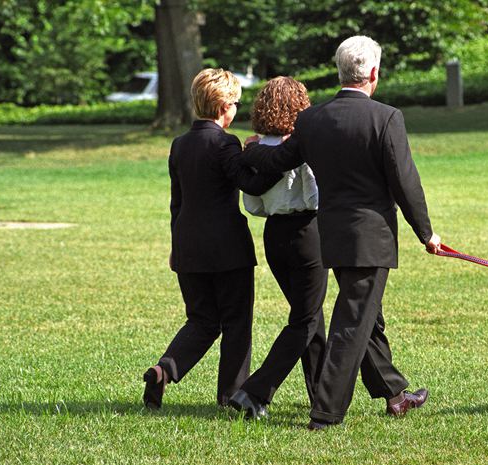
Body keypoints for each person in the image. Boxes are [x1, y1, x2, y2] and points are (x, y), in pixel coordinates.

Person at [240, 36, 442, 429]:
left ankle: (394, 393)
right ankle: (326, 412)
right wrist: (426, 233)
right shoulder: (386, 118)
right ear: (373, 73)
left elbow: (280, 158)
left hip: (331, 235)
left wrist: (249, 151)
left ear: (340, 71)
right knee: (352, 321)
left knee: (367, 315)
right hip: (371, 238)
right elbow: (405, 182)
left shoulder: (313, 119)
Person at [142, 68, 281, 409]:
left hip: (188, 246)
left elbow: (177, 202)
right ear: (222, 106)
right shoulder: (224, 143)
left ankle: (164, 369)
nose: (237, 109)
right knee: (236, 324)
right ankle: (231, 396)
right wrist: (272, 159)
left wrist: (176, 247)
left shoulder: (179, 144)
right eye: (235, 102)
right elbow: (252, 184)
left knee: (202, 320)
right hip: (227, 250)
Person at [228, 77, 327, 419]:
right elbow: (315, 195)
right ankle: (255, 392)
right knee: (305, 318)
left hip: (274, 236)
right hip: (306, 234)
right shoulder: (302, 146)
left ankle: (321, 393)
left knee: (311, 316)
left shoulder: (256, 147)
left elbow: (253, 205)